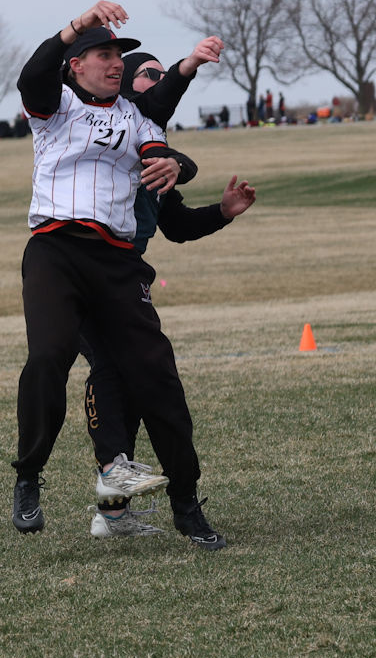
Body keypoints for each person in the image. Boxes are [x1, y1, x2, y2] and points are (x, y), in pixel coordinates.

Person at [9, 0, 228, 549]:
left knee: (157, 376)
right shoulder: (54, 106)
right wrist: (74, 28)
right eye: (103, 54)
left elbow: (160, 129)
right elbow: (32, 73)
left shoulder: (136, 116)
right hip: (55, 250)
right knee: (49, 356)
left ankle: (186, 504)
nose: (114, 63)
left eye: (117, 56)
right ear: (76, 65)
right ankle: (29, 474)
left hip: (117, 262)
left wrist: (173, 158)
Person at [77, 50, 258, 539]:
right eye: (149, 74)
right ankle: (115, 490)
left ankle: (115, 511)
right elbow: (174, 145)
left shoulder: (154, 155)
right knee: (110, 368)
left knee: (144, 386)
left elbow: (176, 226)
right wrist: (187, 67)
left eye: (161, 74)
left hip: (128, 279)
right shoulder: (102, 141)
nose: (158, 81)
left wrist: (222, 212)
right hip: (80, 271)